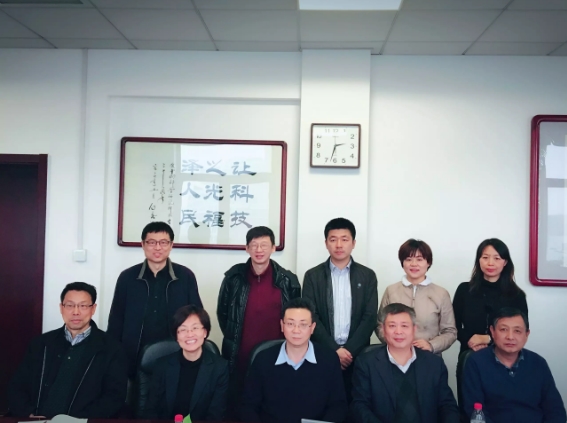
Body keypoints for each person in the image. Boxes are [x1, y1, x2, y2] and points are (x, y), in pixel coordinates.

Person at [8, 282, 128, 418]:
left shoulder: (111, 348)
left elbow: (114, 397)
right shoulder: (41, 344)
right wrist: (28, 413)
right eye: (70, 305)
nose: (76, 312)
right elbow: (17, 386)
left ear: (93, 309)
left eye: (83, 306)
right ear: (61, 308)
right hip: (37, 419)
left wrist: (80, 419)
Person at [217, 226, 300, 414]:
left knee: (274, 407)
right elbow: (223, 314)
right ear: (247, 248)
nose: (259, 250)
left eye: (264, 245)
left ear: (273, 248)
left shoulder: (288, 280)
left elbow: (296, 319)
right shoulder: (233, 277)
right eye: (254, 245)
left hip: (277, 357)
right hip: (239, 355)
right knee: (240, 407)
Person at [107, 221, 202, 377]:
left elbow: (197, 317)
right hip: (133, 354)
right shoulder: (127, 277)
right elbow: (116, 320)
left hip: (175, 352)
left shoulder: (185, 276)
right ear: (143, 245)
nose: (158, 247)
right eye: (152, 242)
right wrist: (113, 355)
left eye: (163, 242)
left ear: (171, 245)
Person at [302, 217, 378, 399]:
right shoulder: (312, 276)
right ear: (326, 243)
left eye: (344, 239)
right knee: (322, 401)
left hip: (357, 354)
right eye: (333, 239)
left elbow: (369, 317)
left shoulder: (367, 276)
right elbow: (311, 316)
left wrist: (348, 351)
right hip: (323, 352)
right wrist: (334, 350)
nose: (339, 245)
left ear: (353, 243)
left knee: (357, 403)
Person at [240, 298, 348, 423]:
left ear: (312, 328)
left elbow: (338, 406)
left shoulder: (329, 360)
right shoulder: (263, 359)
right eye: (290, 324)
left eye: (303, 324)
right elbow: (248, 406)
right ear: (282, 325)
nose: (296, 330)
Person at [453, 238, 528, 414]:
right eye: (485, 257)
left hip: (505, 359)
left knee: (501, 409)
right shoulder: (464, 290)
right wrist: (470, 340)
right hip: (469, 357)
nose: (490, 263)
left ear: (505, 262)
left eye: (496, 258)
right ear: (478, 260)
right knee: (470, 410)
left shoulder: (516, 295)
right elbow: (452, 325)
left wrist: (488, 339)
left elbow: (521, 330)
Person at [351, 303, 459, 423]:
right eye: (392, 326)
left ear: (414, 329)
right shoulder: (366, 363)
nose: (398, 331)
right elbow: (360, 406)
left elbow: (447, 406)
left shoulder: (434, 364)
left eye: (404, 326)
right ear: (383, 329)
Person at [463, 308, 566, 423]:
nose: (510, 337)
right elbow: (475, 411)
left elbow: (556, 411)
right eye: (503, 329)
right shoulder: (476, 362)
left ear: (527, 334)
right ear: (492, 332)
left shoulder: (538, 363)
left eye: (517, 331)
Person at [144, 305, 229, 421]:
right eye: (183, 329)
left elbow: (215, 415)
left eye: (195, 328)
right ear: (176, 336)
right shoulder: (162, 366)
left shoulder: (220, 368)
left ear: (205, 332)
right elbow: (150, 411)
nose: (189, 334)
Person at [377, 239, 457, 355]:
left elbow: (450, 332)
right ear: (402, 263)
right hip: (395, 354)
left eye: (419, 259)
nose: (414, 264)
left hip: (428, 356)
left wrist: (431, 345)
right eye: (408, 259)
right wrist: (397, 342)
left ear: (428, 262)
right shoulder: (391, 290)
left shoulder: (441, 293)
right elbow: (379, 324)